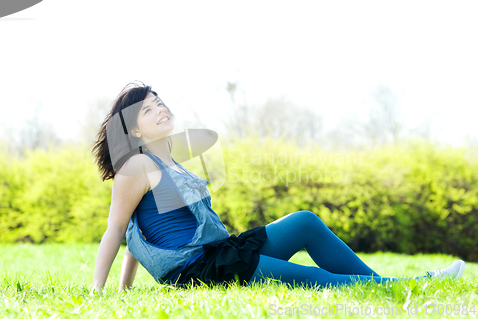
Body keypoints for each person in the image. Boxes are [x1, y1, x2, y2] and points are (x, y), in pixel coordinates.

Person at [89, 81, 465, 294]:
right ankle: (412, 285)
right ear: (135, 130)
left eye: (161, 103)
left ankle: (384, 284)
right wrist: (100, 292)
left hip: (220, 251)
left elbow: (146, 232)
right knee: (323, 282)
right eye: (149, 110)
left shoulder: (168, 158)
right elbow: (118, 230)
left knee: (304, 221)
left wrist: (127, 289)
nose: (161, 110)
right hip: (201, 268)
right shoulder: (136, 166)